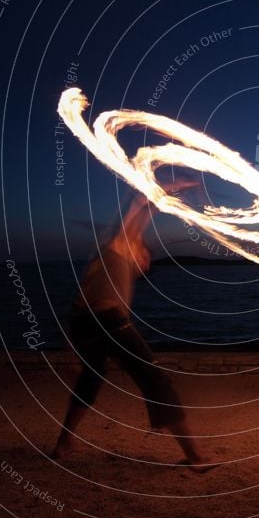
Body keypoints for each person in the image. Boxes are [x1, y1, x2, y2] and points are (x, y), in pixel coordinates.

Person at [51, 182, 217, 471]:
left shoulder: (111, 261)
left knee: (89, 380)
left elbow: (77, 308)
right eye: (147, 257)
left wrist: (69, 346)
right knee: (154, 379)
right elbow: (143, 201)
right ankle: (195, 457)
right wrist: (183, 186)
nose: (146, 264)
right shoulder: (122, 244)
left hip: (84, 323)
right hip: (108, 322)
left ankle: (63, 443)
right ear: (139, 249)